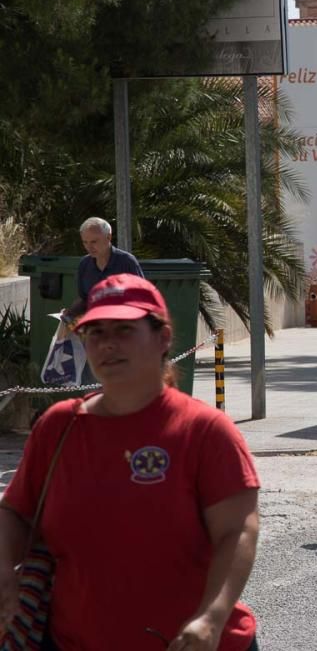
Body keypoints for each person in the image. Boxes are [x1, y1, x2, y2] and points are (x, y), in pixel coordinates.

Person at [0, 274, 260, 650]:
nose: (107, 344)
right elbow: (14, 512)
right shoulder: (58, 426)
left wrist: (211, 618)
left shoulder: (205, 431)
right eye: (95, 331)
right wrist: (4, 566)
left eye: (124, 330)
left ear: (163, 338)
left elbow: (237, 532)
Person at [64, 217, 145, 321]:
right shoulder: (84, 264)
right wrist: (70, 314)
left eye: (94, 242)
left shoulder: (127, 262)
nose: (89, 247)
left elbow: (142, 298)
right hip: (95, 327)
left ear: (108, 237)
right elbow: (84, 299)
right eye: (85, 242)